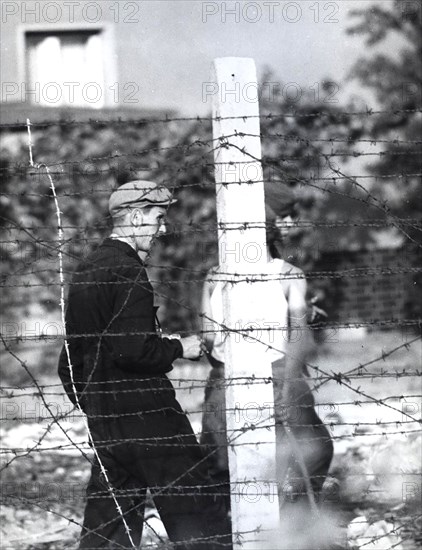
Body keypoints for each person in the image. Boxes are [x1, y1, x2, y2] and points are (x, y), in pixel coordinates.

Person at [58, 180, 231, 550]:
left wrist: (94, 406)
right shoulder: (128, 270)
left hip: (106, 420)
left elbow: (69, 360)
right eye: (157, 218)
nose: (162, 228)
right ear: (136, 217)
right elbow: (132, 350)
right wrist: (178, 347)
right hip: (150, 413)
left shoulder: (88, 268)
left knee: (109, 528)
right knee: (196, 513)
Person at [200, 183, 333, 533]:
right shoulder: (290, 276)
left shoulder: (214, 277)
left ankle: (229, 532)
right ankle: (297, 530)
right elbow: (299, 332)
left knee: (223, 463)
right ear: (273, 234)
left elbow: (210, 338)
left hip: (224, 382)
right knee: (310, 453)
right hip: (278, 377)